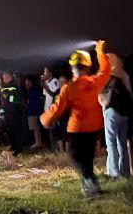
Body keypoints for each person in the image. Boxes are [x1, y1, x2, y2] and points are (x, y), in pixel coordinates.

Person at [41, 41, 111, 197]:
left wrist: (45, 120)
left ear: (72, 68)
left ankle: (89, 182)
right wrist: (100, 51)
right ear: (87, 67)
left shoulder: (68, 88)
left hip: (77, 128)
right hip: (95, 128)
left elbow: (56, 109)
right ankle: (91, 185)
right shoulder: (95, 82)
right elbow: (106, 70)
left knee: (75, 157)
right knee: (87, 158)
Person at [98, 52, 133, 177]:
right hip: (124, 113)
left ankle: (114, 172)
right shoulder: (124, 75)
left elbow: (100, 93)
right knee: (122, 143)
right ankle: (125, 171)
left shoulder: (107, 75)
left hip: (111, 110)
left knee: (111, 142)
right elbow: (130, 94)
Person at [0, 71, 26, 154]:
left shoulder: (14, 87)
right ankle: (12, 147)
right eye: (3, 77)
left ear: (11, 77)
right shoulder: (3, 87)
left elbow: (16, 100)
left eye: (6, 77)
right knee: (9, 130)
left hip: (15, 113)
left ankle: (18, 149)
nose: (4, 78)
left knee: (16, 130)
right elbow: (1, 101)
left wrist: (7, 97)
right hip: (7, 112)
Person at [41, 67, 61, 149]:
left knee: (54, 130)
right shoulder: (45, 82)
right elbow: (45, 96)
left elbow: (54, 95)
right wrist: (44, 108)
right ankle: (52, 148)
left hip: (54, 109)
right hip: (47, 109)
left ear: (50, 73)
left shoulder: (56, 81)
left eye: (45, 72)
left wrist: (45, 86)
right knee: (49, 130)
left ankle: (58, 148)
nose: (44, 74)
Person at [24, 76, 45, 149]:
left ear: (30, 82)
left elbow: (29, 102)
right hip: (38, 111)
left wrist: (26, 103)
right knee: (37, 128)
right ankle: (39, 142)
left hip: (33, 112)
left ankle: (37, 143)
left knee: (35, 128)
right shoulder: (36, 90)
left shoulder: (30, 91)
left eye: (26, 81)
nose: (25, 83)